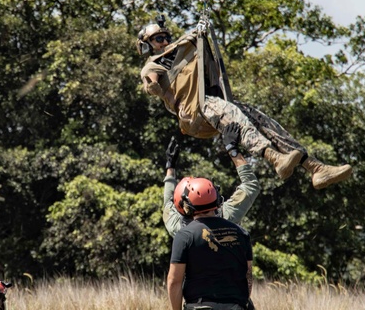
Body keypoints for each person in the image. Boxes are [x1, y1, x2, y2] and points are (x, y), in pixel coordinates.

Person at [138, 18, 352, 189]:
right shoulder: (152, 66)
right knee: (232, 114)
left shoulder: (182, 50)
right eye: (158, 39)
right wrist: (155, 89)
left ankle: (315, 168)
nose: (165, 41)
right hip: (194, 114)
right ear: (147, 45)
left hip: (210, 104)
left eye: (166, 37)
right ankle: (275, 159)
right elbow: (153, 85)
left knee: (259, 118)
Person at [162, 129, 276, 310]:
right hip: (237, 305)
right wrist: (233, 151)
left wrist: (170, 168)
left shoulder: (180, 228)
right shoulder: (230, 219)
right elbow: (250, 186)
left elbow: (167, 202)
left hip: (200, 307)